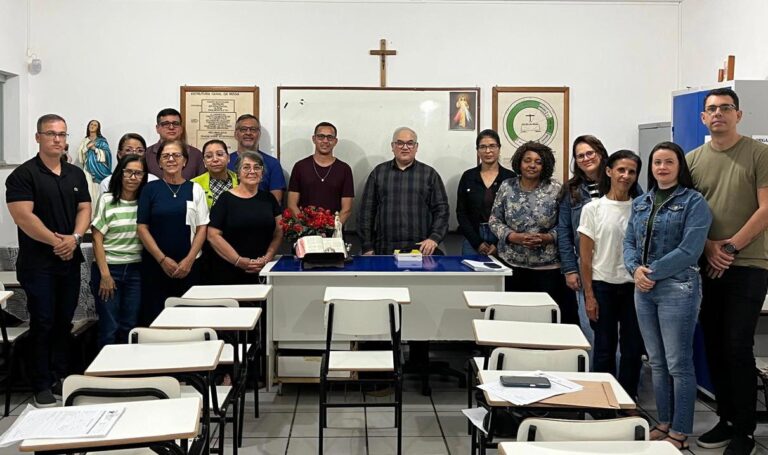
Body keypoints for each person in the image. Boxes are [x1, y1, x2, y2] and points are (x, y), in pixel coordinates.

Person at [686, 87, 768, 454]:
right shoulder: (692, 160)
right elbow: (686, 214)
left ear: (739, 114)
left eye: (725, 108)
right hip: (707, 263)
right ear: (703, 118)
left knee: (737, 344)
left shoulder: (760, 154)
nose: (718, 114)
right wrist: (708, 247)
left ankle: (745, 430)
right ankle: (727, 417)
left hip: (749, 264)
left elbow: (765, 209)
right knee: (715, 344)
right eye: (711, 109)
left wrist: (731, 247)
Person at [624, 142, 712, 450]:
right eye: (657, 162)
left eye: (668, 162)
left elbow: (690, 250)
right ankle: (663, 422)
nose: (662, 167)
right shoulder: (641, 202)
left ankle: (680, 428)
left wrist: (651, 272)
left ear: (679, 167)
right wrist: (635, 269)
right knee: (657, 362)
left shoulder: (693, 202)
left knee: (678, 363)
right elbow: (629, 243)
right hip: (643, 288)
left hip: (678, 288)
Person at [5, 114, 92, 407]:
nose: (58, 139)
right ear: (38, 137)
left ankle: (60, 377)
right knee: (42, 321)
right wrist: (58, 242)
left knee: (63, 321)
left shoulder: (76, 174)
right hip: (38, 263)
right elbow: (23, 216)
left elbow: (85, 209)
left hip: (69, 259)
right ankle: (40, 383)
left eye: (62, 134)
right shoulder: (22, 175)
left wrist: (75, 239)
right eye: (51, 133)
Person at [578, 150, 643, 400]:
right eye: (621, 170)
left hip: (633, 288)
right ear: (609, 171)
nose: (626, 176)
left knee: (632, 349)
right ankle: (602, 399)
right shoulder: (593, 209)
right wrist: (589, 296)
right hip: (602, 286)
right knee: (604, 347)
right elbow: (585, 257)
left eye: (631, 171)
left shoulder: (640, 208)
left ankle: (627, 398)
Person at [489, 141, 577, 324]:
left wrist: (547, 238)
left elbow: (565, 226)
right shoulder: (507, 186)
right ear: (519, 163)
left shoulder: (555, 189)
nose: (532, 165)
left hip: (547, 270)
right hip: (512, 266)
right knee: (514, 320)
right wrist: (512, 236)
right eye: (527, 160)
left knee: (543, 320)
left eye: (538, 162)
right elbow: (494, 220)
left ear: (545, 165)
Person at [137, 139, 209, 324]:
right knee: (157, 319)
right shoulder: (149, 189)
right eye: (165, 156)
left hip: (190, 266)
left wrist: (189, 260)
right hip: (156, 266)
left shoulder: (195, 189)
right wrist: (162, 259)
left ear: (184, 161)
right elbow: (142, 227)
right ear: (159, 162)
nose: (171, 159)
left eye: (176, 155)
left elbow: (202, 227)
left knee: (189, 319)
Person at [358, 127, 449, 255]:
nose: (405, 147)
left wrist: (434, 238)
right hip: (384, 249)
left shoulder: (429, 174)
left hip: (421, 249)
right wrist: (367, 246)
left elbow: (442, 210)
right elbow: (366, 212)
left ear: (416, 147)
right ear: (392, 146)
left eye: (410, 143)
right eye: (400, 143)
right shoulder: (379, 173)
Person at [90, 155, 149, 347]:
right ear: (120, 174)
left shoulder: (145, 203)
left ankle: (126, 374)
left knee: (129, 327)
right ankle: (104, 375)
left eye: (138, 173)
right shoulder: (107, 200)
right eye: (129, 172)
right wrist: (105, 275)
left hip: (135, 271)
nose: (133, 177)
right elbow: (97, 238)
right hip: (109, 270)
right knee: (109, 328)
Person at [557, 136, 610, 344]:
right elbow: (564, 232)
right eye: (580, 156)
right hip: (585, 266)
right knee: (590, 329)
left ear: (600, 153)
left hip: (617, 267)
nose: (586, 158)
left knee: (618, 333)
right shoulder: (572, 190)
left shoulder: (621, 181)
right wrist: (570, 269)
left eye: (590, 153)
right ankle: (594, 375)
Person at [207, 151, 282, 284]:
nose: (252, 171)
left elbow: (279, 231)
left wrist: (268, 257)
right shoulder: (225, 199)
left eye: (257, 167)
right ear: (238, 173)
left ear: (262, 173)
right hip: (229, 270)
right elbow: (213, 235)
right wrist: (238, 260)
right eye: (246, 167)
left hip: (263, 269)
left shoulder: (269, 199)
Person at [456, 129, 515, 256]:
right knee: (471, 274)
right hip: (473, 240)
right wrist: (477, 243)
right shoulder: (468, 177)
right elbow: (461, 212)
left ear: (499, 148)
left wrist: (498, 242)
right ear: (477, 150)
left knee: (502, 276)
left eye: (492, 146)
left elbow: (514, 215)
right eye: (483, 147)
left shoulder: (510, 178)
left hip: (503, 239)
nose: (488, 151)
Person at [286, 122, 354, 223]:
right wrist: (308, 228)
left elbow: (347, 209)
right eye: (321, 136)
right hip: (305, 232)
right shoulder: (300, 167)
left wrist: (331, 229)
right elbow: (292, 205)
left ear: (335, 141)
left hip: (334, 233)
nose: (325, 141)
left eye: (330, 137)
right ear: (314, 139)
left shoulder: (344, 169)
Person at [228, 114, 286, 203]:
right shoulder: (225, 162)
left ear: (259, 134)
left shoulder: (273, 164)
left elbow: (276, 200)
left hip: (262, 214)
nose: (248, 133)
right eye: (243, 129)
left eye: (253, 129)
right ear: (236, 134)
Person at [145, 108, 205, 180]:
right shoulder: (147, 154)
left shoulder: (196, 154)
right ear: (157, 128)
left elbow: (202, 182)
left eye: (175, 124)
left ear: (181, 128)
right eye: (166, 124)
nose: (171, 127)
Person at [192, 140, 239, 208]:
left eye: (219, 154)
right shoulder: (193, 184)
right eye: (209, 156)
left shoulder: (241, 181)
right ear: (204, 162)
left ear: (228, 158)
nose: (215, 159)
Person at [76, 119, 112, 197]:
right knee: (88, 187)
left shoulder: (101, 141)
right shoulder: (85, 140)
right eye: (91, 124)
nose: (92, 126)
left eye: (95, 125)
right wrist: (86, 148)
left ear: (98, 128)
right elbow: (80, 155)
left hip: (99, 169)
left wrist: (95, 149)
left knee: (97, 189)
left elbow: (107, 154)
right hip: (88, 168)